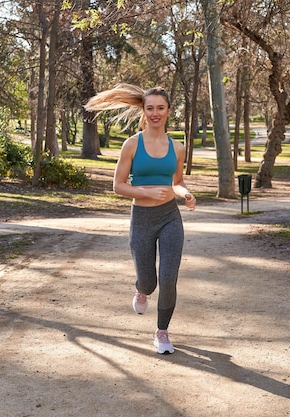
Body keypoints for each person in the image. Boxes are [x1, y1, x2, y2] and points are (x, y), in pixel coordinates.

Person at [85, 84, 196, 354]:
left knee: (169, 278)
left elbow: (177, 182)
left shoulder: (177, 148)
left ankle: (162, 333)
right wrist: (144, 191)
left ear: (169, 111)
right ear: (144, 112)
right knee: (149, 281)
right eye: (150, 108)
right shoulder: (132, 144)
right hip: (142, 218)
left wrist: (186, 193)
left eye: (160, 108)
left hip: (170, 216)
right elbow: (117, 186)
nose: (155, 113)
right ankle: (141, 290)